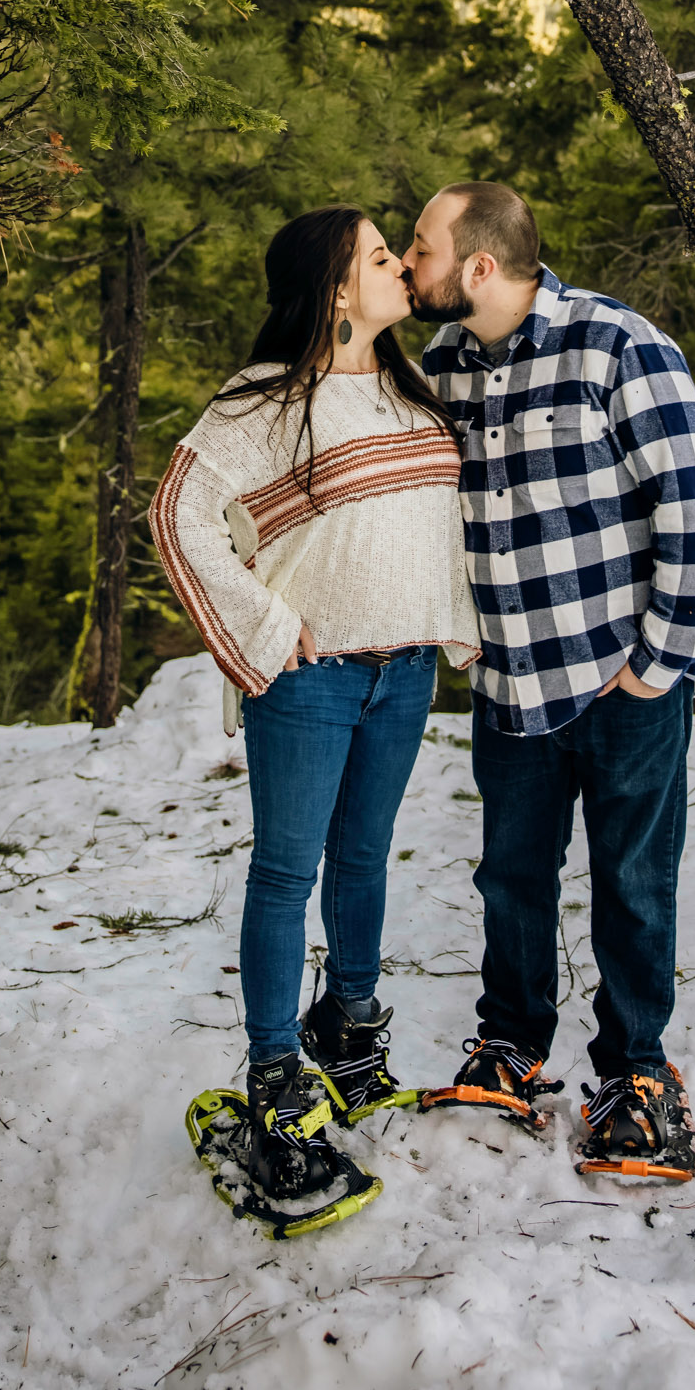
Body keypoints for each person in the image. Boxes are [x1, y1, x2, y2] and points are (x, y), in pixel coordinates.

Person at [149, 205, 479, 1212]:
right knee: (287, 868)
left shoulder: (405, 387)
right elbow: (177, 513)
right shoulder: (261, 400)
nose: (395, 265)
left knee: (366, 858)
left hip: (403, 670)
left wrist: (447, 622)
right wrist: (255, 622)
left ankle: (348, 1029)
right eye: (378, 255)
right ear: (334, 288)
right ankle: (274, 1069)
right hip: (313, 673)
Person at [403, 181, 695, 1181]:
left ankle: (635, 1074)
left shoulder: (616, 347)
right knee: (510, 879)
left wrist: (658, 662)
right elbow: (429, 513)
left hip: (620, 681)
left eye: (419, 247)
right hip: (509, 688)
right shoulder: (441, 366)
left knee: (631, 882)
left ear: (480, 266)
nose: (409, 265)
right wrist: (459, 637)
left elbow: (693, 507)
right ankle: (508, 1047)